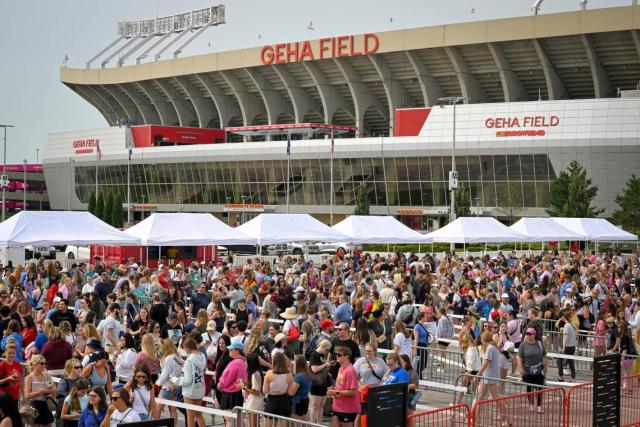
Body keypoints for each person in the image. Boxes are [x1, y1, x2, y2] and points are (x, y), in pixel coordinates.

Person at [475, 331, 508, 426]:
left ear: (484, 339)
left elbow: (485, 363)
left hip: (490, 377)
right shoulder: (492, 347)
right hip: (487, 377)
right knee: (479, 398)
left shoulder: (490, 348)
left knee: (496, 398)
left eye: (481, 339)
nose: (481, 341)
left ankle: (505, 419)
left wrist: (478, 374)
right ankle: (475, 419)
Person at [327, 347, 360, 427]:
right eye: (336, 355)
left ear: (347, 356)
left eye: (339, 355)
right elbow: (342, 386)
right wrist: (333, 389)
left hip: (347, 408)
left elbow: (353, 391)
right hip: (338, 406)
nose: (337, 356)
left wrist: (336, 392)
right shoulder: (341, 368)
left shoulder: (350, 371)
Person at [517, 327, 547, 413]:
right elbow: (519, 357)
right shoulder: (523, 345)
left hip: (538, 370)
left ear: (534, 335)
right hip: (527, 371)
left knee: (539, 389)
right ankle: (531, 404)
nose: (529, 336)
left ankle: (539, 406)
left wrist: (545, 367)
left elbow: (544, 355)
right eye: (527, 334)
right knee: (529, 388)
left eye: (530, 334)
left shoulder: (539, 344)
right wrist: (520, 368)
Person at [218, 342, 247, 427]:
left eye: (231, 349)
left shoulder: (234, 363)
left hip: (230, 393)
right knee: (239, 419)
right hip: (239, 393)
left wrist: (220, 385)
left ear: (237, 350)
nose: (229, 351)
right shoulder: (244, 362)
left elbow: (226, 378)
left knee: (229, 419)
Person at [154, 339, 182, 423]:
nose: (160, 349)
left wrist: (157, 383)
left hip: (167, 387)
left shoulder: (168, 358)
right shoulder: (176, 357)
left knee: (157, 410)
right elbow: (181, 366)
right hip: (176, 386)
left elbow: (165, 374)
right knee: (173, 410)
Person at [24, 355, 56, 427]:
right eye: (42, 363)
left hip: (45, 403)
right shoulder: (29, 378)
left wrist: (48, 390)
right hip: (34, 404)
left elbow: (54, 389)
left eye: (45, 363)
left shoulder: (47, 375)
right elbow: (26, 395)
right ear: (35, 364)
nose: (44, 365)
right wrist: (40, 392)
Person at [181, 337, 207, 427]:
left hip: (190, 390)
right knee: (199, 415)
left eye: (184, 347)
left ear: (188, 347)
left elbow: (187, 380)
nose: (184, 350)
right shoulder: (202, 356)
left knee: (190, 416)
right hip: (200, 387)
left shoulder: (189, 360)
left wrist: (175, 380)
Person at [263, 352, 295, 425]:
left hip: (271, 402)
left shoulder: (269, 373)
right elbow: (290, 393)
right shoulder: (289, 375)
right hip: (284, 402)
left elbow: (265, 390)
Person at [308, 339, 332, 424]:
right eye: (327, 350)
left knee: (321, 406)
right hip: (316, 383)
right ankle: (312, 424)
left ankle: (319, 424)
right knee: (315, 406)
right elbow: (314, 369)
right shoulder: (314, 354)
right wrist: (325, 364)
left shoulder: (322, 355)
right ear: (323, 347)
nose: (327, 352)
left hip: (323, 383)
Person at [241, 353, 264, 427]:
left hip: (254, 402)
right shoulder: (256, 373)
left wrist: (244, 387)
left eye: (246, 361)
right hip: (253, 401)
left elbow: (256, 391)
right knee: (253, 423)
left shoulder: (255, 374)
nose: (245, 363)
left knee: (253, 424)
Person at [290, 355, 312, 421]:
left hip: (298, 402)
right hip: (305, 400)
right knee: (303, 421)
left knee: (296, 423)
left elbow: (292, 392)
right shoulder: (307, 375)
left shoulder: (299, 377)